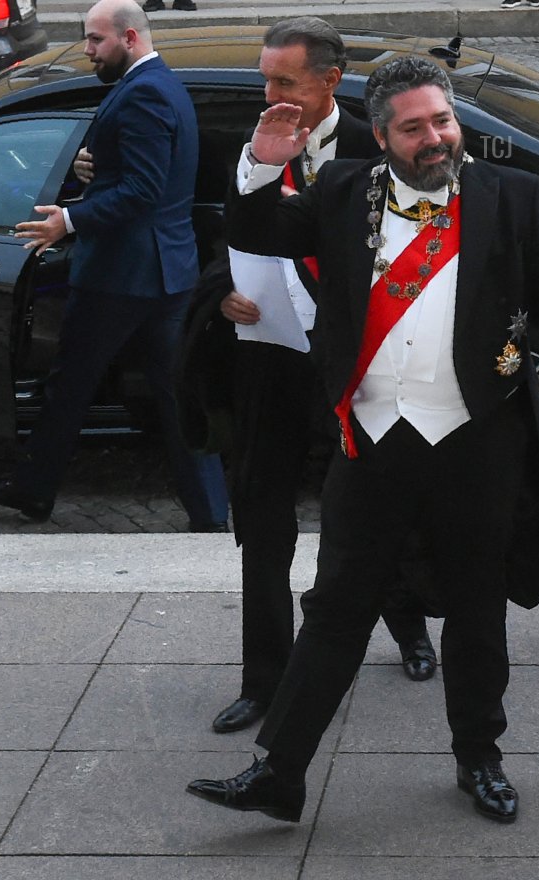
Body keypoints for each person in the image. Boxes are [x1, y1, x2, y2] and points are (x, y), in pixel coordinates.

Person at [187, 56, 539, 824]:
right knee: (338, 608)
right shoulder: (342, 192)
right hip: (372, 441)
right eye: (414, 128)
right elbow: (261, 231)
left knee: (479, 612)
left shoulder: (513, 197)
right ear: (381, 136)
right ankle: (279, 771)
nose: (435, 137)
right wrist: (259, 169)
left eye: (443, 121)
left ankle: (481, 758)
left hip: (475, 444)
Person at [195, 18, 438, 736]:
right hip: (269, 362)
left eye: (285, 82)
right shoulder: (257, 147)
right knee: (263, 524)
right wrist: (221, 294)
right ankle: (264, 680)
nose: (269, 94)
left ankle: (410, 629)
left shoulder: (379, 146)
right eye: (266, 78)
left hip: (358, 365)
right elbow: (230, 240)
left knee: (374, 511)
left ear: (330, 82)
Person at [0, 0, 228, 532]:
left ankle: (33, 488)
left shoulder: (144, 95)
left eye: (95, 40)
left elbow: (142, 190)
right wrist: (97, 169)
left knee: (69, 387)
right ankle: (209, 512)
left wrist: (68, 220)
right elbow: (141, 175)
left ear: (130, 38)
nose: (87, 50)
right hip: (164, 270)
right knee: (174, 395)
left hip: (121, 274)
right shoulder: (161, 86)